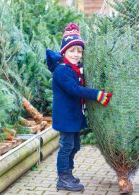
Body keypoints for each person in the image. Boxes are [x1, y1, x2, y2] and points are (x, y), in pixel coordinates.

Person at [46, 23, 112, 192]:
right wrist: (96, 94)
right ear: (64, 52)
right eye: (72, 50)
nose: (76, 54)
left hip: (74, 116)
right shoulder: (61, 71)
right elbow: (74, 90)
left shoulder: (75, 68)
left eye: (79, 51)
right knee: (66, 146)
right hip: (65, 117)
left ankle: (68, 172)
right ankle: (63, 178)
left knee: (75, 146)